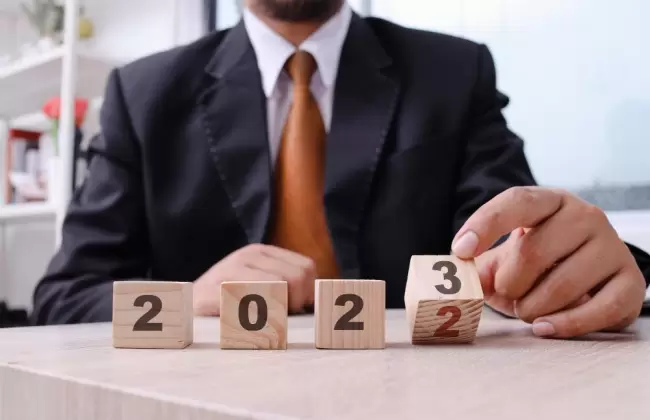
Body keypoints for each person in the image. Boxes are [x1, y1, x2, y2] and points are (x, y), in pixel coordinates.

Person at [32, 0, 649, 338]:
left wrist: (591, 271)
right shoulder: (143, 95)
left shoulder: (453, 73)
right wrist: (187, 301)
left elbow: (512, 247)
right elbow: (62, 298)